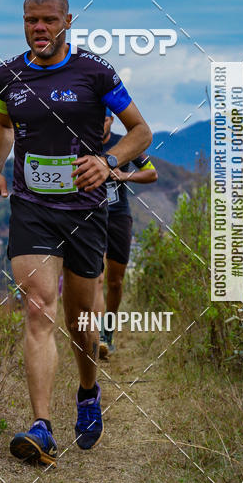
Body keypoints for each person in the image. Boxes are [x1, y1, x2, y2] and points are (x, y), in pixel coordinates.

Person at [0, 0, 152, 467]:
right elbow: (2, 125)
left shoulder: (95, 73)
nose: (39, 28)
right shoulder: (6, 75)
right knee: (38, 309)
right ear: (23, 22)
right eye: (31, 20)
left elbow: (141, 131)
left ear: (67, 21)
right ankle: (41, 426)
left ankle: (87, 391)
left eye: (48, 20)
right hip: (32, 207)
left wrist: (108, 159)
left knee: (81, 323)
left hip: (86, 210)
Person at [96, 109, 158, 359]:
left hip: (119, 216)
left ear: (110, 120)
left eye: (102, 119)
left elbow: (152, 173)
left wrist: (124, 176)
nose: (99, 123)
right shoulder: (81, 142)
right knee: (95, 278)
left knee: (115, 281)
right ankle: (95, 335)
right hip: (90, 217)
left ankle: (107, 332)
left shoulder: (125, 144)